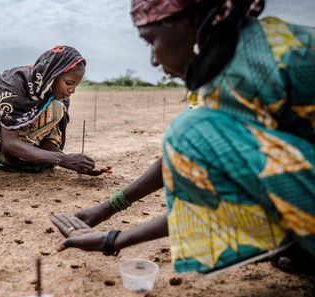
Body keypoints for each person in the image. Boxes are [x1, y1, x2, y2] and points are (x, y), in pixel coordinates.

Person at [51, 0, 315, 274]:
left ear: (185, 22)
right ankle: (300, 246)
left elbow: (211, 195)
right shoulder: (238, 56)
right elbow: (182, 154)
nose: (153, 59)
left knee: (188, 129)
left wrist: (115, 239)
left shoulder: (252, 70)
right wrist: (107, 208)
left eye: (151, 41)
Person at [0, 45, 111, 187]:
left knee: (58, 107)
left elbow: (50, 140)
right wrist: (64, 160)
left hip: (18, 139)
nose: (72, 90)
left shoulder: (57, 97)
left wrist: (80, 165)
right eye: (69, 83)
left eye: (76, 85)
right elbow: (10, 142)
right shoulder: (16, 85)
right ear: (52, 75)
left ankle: (11, 160)